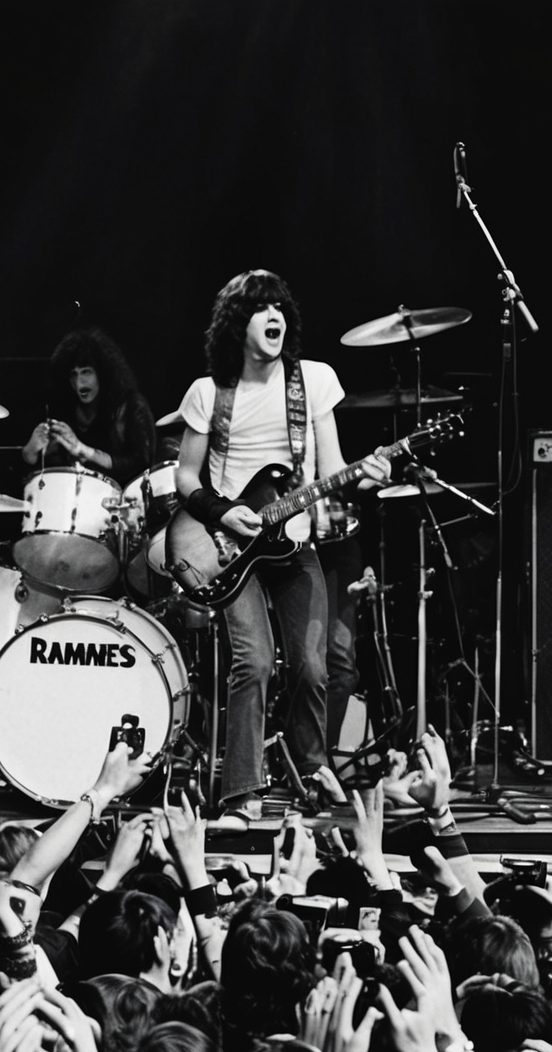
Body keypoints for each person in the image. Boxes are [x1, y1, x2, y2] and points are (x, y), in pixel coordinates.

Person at [174, 269, 388, 823]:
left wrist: (374, 475)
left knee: (314, 668)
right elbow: (186, 478)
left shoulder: (313, 381)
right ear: (235, 324)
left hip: (294, 547)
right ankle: (241, 792)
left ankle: (308, 776)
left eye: (279, 307)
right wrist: (226, 513)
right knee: (252, 663)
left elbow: (336, 471)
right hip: (226, 545)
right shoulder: (209, 391)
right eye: (260, 308)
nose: (274, 316)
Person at [21, 326, 157, 489]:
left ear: (103, 372)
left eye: (86, 372)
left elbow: (142, 464)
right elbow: (43, 479)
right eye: (73, 374)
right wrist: (30, 453)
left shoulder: (131, 406)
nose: (79, 383)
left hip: (121, 504)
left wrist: (83, 450)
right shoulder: (64, 408)